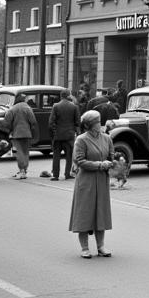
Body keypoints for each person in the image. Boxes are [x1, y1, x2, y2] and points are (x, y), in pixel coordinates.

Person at [69, 109, 115, 258]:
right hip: (86, 181)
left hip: (101, 180)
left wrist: (113, 163)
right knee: (85, 213)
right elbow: (79, 161)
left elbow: (111, 155)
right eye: (97, 121)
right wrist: (100, 165)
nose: (100, 124)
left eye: (100, 120)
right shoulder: (81, 140)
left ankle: (101, 246)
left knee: (100, 212)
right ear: (89, 125)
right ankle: (84, 248)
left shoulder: (107, 138)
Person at [4, 92, 37, 180]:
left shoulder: (12, 109)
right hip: (27, 134)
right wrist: (32, 132)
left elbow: (7, 122)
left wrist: (9, 131)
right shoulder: (28, 108)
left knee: (19, 152)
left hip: (16, 134)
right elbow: (33, 122)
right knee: (26, 152)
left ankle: (21, 170)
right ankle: (25, 170)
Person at [49, 89, 80, 181]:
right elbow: (78, 122)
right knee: (69, 156)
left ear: (61, 96)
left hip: (58, 135)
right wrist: (76, 132)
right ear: (69, 96)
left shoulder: (56, 106)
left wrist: (54, 133)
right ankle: (67, 174)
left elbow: (51, 122)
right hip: (69, 135)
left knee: (56, 156)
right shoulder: (74, 107)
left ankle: (55, 175)